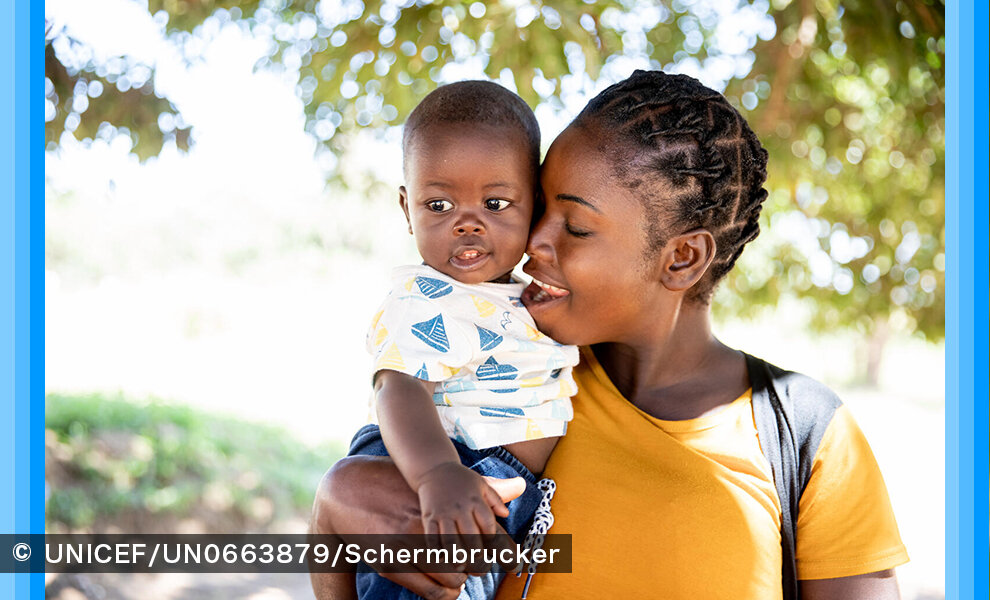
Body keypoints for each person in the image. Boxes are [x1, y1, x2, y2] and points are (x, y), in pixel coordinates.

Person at [311, 70, 908, 600]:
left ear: (681, 259)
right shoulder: (517, 369)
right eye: (537, 206)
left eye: (573, 225)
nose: (533, 242)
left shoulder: (806, 436)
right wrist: (334, 501)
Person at [353, 80, 580, 600]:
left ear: (536, 203)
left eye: (496, 202)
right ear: (407, 208)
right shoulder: (427, 298)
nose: (467, 224)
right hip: (442, 466)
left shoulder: (530, 297)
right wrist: (436, 474)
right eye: (439, 205)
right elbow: (398, 388)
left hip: (495, 486)